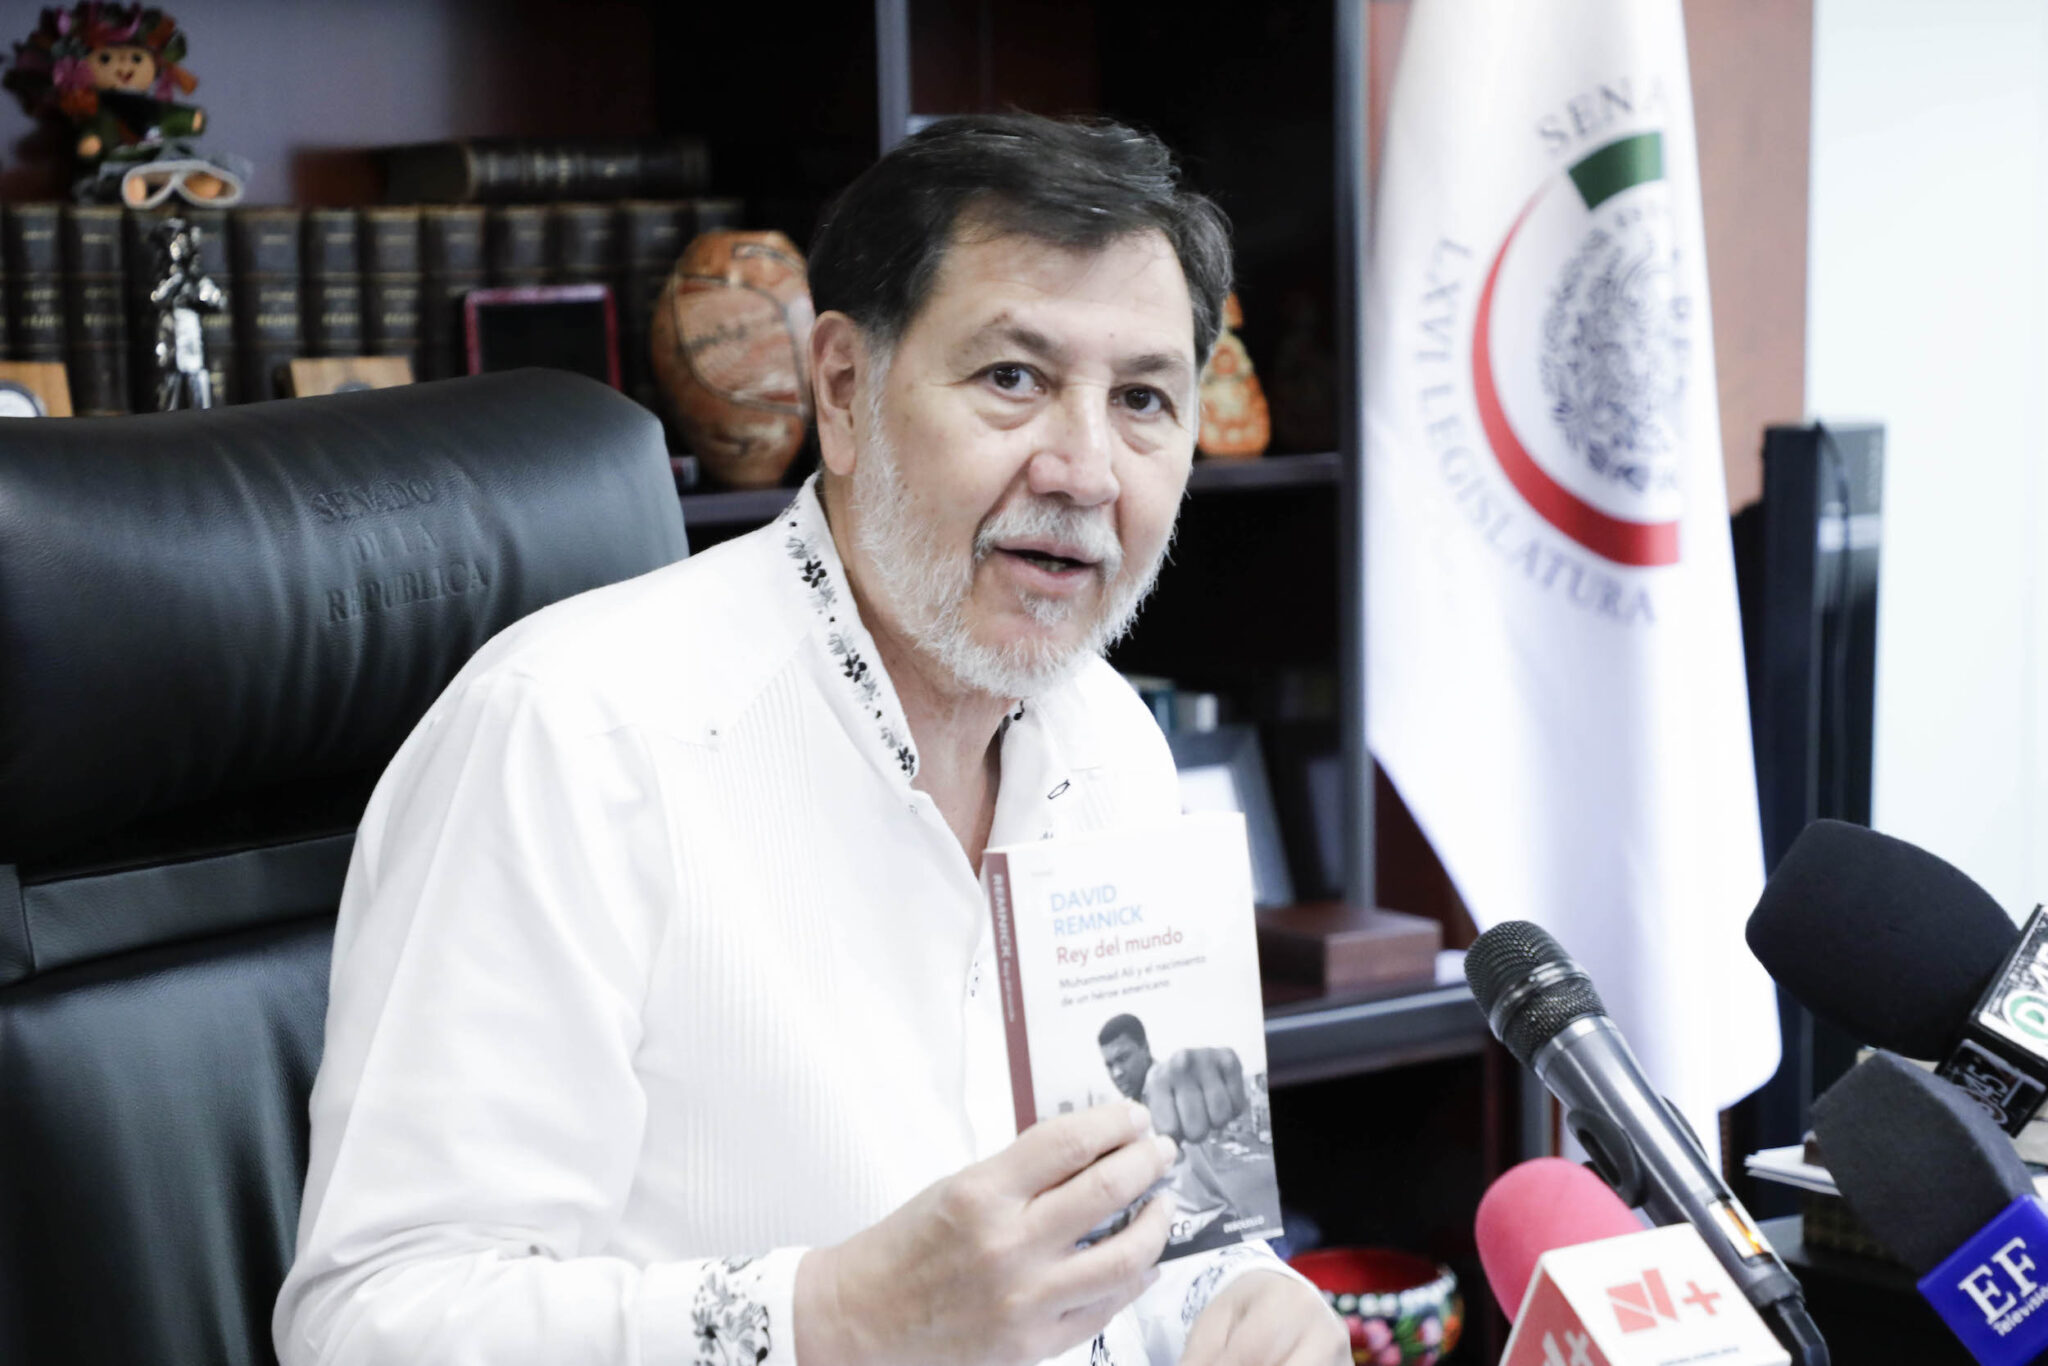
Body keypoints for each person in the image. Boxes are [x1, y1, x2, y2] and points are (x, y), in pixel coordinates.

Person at [274, 113, 1347, 1366]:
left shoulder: (1111, 737)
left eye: (1143, 400)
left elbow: (1146, 1229)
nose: (1085, 469)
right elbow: (372, 1322)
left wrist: (1227, 1300)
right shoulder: (575, 736)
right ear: (842, 389)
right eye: (1012, 378)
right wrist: (832, 1319)